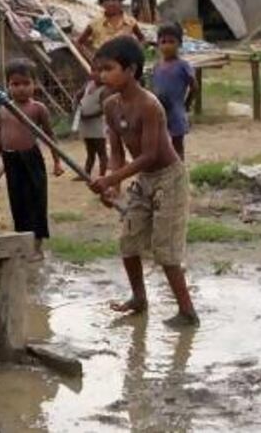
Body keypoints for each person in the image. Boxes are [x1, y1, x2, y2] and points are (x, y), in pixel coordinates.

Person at [89, 36, 199, 328]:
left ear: (131, 70)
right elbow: (115, 152)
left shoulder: (150, 105)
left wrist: (112, 177)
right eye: (100, 69)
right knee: (128, 240)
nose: (102, 75)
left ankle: (187, 311)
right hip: (145, 179)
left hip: (169, 178)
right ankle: (139, 298)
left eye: (109, 68)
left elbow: (150, 155)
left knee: (165, 249)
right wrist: (114, 186)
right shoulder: (111, 105)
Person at [0, 58, 64, 257]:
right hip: (10, 159)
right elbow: (0, 136)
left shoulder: (38, 109)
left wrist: (57, 161)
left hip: (31, 158)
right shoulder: (4, 108)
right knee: (17, 200)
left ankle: (37, 244)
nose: (21, 88)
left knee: (36, 199)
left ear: (35, 84)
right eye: (15, 84)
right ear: (7, 85)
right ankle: (22, 242)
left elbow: (50, 136)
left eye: (26, 83)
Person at [152, 22, 197, 160]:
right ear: (158, 44)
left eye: (171, 42)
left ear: (179, 44)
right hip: (159, 110)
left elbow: (194, 86)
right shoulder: (157, 66)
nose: (167, 46)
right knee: (160, 143)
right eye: (163, 41)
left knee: (177, 144)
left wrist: (186, 104)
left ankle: (179, 172)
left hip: (176, 110)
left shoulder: (183, 65)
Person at [77, 0, 145, 57]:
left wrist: (135, 54)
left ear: (121, 1)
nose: (110, 3)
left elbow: (142, 39)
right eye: (107, 0)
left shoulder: (130, 22)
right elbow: (79, 42)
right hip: (102, 66)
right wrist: (90, 58)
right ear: (102, 3)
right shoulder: (95, 23)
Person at [74, 70, 108, 178]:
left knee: (101, 152)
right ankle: (86, 173)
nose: (94, 74)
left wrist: (88, 115)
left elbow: (103, 109)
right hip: (86, 123)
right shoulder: (89, 84)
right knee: (90, 151)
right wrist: (76, 103)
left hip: (97, 124)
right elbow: (79, 95)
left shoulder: (105, 90)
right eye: (93, 71)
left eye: (97, 72)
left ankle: (102, 175)